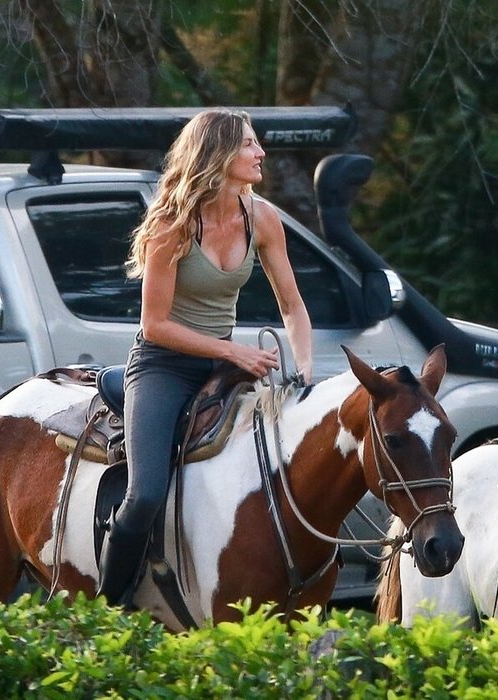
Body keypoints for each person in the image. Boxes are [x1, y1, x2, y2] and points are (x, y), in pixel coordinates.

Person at [96, 109, 314, 606]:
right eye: (250, 145)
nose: (261, 154)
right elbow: (155, 325)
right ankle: (107, 608)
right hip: (163, 365)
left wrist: (303, 371)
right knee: (146, 493)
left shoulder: (262, 217)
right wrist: (231, 350)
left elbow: (292, 305)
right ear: (218, 154)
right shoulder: (173, 223)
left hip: (223, 368)